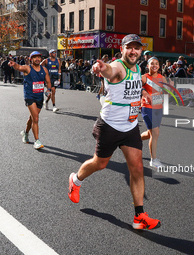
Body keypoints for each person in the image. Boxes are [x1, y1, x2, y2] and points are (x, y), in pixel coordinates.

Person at [68, 34, 160, 230]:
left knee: (137, 169)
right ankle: (75, 180)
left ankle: (139, 216)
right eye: (130, 48)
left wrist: (143, 94)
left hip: (130, 127)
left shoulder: (137, 68)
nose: (133, 51)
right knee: (100, 164)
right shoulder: (118, 66)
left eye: (137, 48)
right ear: (122, 49)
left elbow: (134, 86)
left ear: (141, 51)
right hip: (110, 126)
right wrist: (102, 68)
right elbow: (111, 71)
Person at [9, 51, 52, 149]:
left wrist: (49, 90)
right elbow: (19, 67)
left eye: (38, 57)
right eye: (34, 57)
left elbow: (48, 81)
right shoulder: (27, 68)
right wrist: (14, 64)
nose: (37, 59)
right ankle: (37, 141)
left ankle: (25, 133)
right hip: (29, 96)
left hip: (39, 97)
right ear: (31, 59)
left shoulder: (44, 69)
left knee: (32, 118)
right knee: (36, 119)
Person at [140, 57, 166, 168]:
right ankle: (153, 160)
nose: (154, 65)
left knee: (150, 133)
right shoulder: (144, 77)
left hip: (158, 108)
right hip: (147, 108)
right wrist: (144, 92)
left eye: (156, 63)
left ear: (159, 66)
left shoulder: (162, 78)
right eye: (152, 63)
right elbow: (136, 88)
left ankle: (134, 140)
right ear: (148, 66)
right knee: (155, 133)